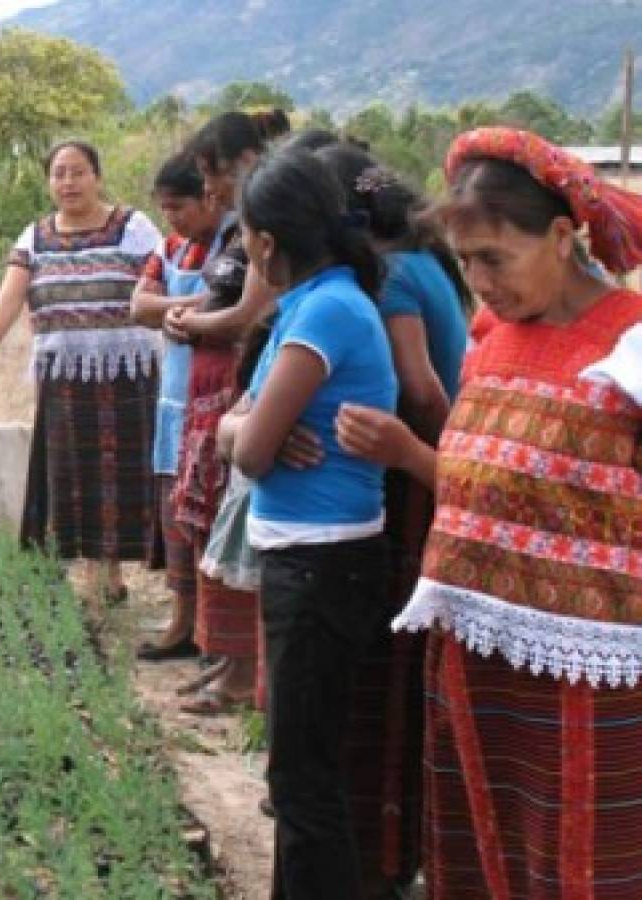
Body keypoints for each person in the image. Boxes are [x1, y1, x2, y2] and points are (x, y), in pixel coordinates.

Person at [336, 128, 642, 899]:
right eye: (465, 262)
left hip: (589, 675)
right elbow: (481, 485)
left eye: (494, 260)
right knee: (481, 848)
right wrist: (411, 455)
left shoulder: (631, 348)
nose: (479, 282)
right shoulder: (491, 339)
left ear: (565, 236)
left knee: (580, 858)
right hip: (476, 657)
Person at [216, 148, 397, 898]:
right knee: (301, 774)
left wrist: (245, 429)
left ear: (264, 241)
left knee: (303, 783)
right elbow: (243, 432)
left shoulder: (325, 308)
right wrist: (243, 427)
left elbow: (251, 449)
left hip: (321, 565)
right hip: (313, 559)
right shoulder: (318, 301)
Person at [303, 143, 470, 898]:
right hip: (429, 474)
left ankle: (387, 852)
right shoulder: (421, 260)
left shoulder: (394, 276)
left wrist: (423, 462)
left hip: (416, 482)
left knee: (396, 665)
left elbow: (424, 388)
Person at [0, 141, 163, 601]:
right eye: (58, 173)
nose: (68, 182)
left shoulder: (133, 228)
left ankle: (111, 573)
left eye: (78, 172)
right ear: (48, 181)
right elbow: (8, 298)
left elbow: (162, 276)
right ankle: (90, 570)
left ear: (97, 176)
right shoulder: (34, 237)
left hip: (125, 375)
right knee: (72, 473)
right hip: (64, 377)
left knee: (116, 473)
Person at [165, 111, 288, 713]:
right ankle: (227, 661)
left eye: (211, 180)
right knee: (217, 526)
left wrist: (190, 322)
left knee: (235, 526)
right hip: (220, 392)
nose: (207, 193)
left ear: (241, 165)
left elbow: (247, 316)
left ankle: (241, 674)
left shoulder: (270, 234)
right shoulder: (240, 232)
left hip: (244, 389)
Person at [131, 153, 229, 659]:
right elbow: (139, 305)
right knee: (176, 512)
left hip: (214, 397)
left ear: (208, 198)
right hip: (174, 398)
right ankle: (182, 621)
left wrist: (172, 310)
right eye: (166, 210)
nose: (174, 219)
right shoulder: (170, 249)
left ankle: (213, 633)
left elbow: (224, 306)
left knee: (208, 515)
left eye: (182, 208)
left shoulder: (231, 248)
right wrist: (180, 309)